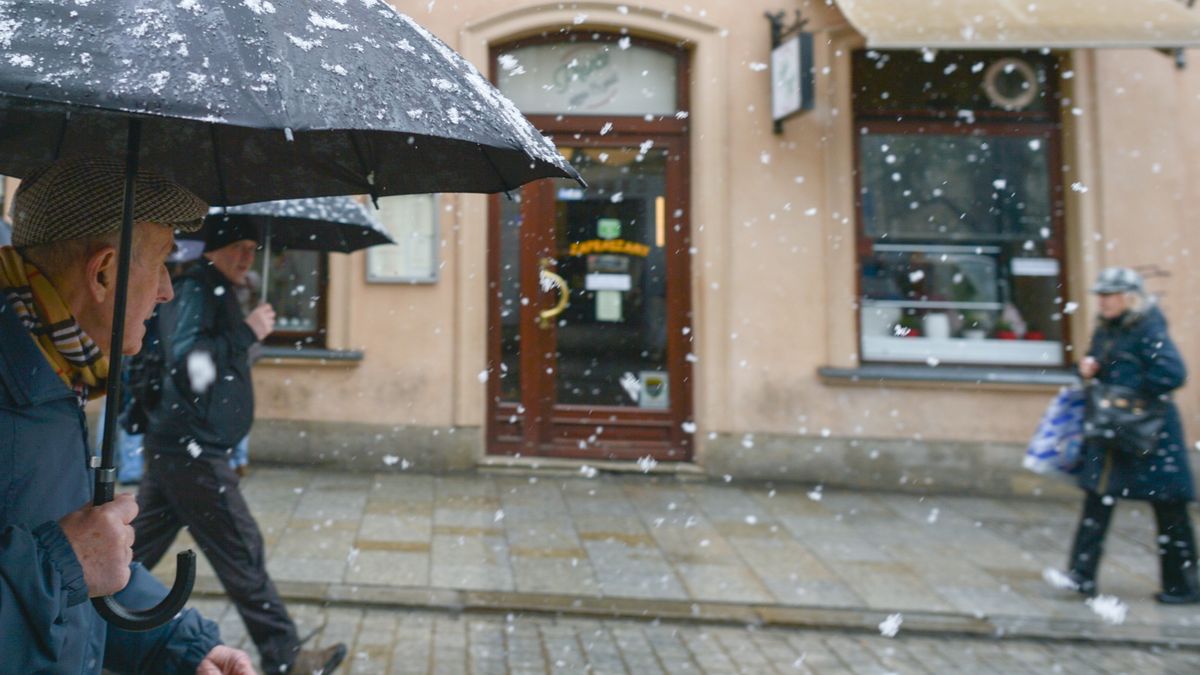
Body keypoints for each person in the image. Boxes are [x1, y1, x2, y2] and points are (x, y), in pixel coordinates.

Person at [0, 156, 254, 673]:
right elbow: (70, 559)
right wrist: (63, 565)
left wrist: (178, 644)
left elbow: (84, 555)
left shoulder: (55, 372)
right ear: (103, 271)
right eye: (161, 261)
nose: (166, 290)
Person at [133, 219, 346, 674]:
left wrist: (245, 334)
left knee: (132, 551)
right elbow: (190, 363)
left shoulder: (220, 289)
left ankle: (80, 610)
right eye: (238, 247)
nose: (248, 257)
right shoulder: (195, 287)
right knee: (240, 548)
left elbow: (213, 361)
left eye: (253, 248)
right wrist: (246, 332)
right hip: (192, 447)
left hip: (181, 446)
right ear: (215, 248)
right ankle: (287, 659)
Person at [1060, 267, 1199, 603]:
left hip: (1151, 434)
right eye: (1101, 295)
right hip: (1116, 430)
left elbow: (1172, 373)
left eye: (1109, 295)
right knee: (1098, 497)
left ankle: (1183, 586)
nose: (1102, 301)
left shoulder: (1148, 328)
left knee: (1169, 508)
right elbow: (1108, 365)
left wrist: (1129, 396)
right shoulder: (1109, 329)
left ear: (1129, 297)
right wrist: (1090, 368)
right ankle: (1081, 576)